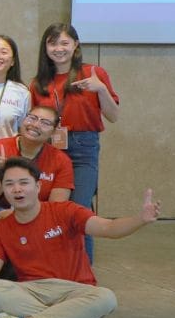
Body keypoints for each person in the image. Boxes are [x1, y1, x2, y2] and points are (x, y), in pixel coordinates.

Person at [0, 159, 161, 318]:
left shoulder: (65, 211)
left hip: (75, 289)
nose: (17, 189)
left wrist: (139, 219)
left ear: (38, 186)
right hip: (33, 290)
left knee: (106, 298)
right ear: (3, 190)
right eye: (9, 184)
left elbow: (109, 228)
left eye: (24, 183)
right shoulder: (1, 227)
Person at [30, 23, 119, 259]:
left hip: (83, 149)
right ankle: (57, 267)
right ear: (45, 47)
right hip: (49, 150)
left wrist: (101, 90)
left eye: (64, 43)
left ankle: (83, 273)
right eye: (52, 43)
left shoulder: (93, 73)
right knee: (51, 210)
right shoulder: (38, 83)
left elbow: (114, 116)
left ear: (76, 45)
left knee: (79, 210)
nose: (58, 48)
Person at [0, 105, 74, 215]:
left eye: (45, 123)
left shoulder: (61, 160)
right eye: (32, 118)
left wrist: (23, 216)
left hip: (41, 214)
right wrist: (1, 176)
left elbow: (57, 207)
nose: (35, 125)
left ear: (53, 132)